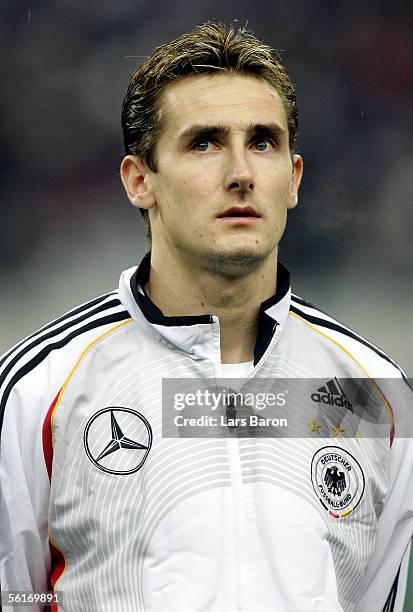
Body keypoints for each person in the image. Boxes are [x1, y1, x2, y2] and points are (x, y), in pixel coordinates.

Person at [0, 21, 412, 612]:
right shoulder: (38, 391)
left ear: (292, 180)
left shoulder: (374, 394)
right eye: (204, 143)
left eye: (263, 142)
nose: (241, 172)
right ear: (140, 179)